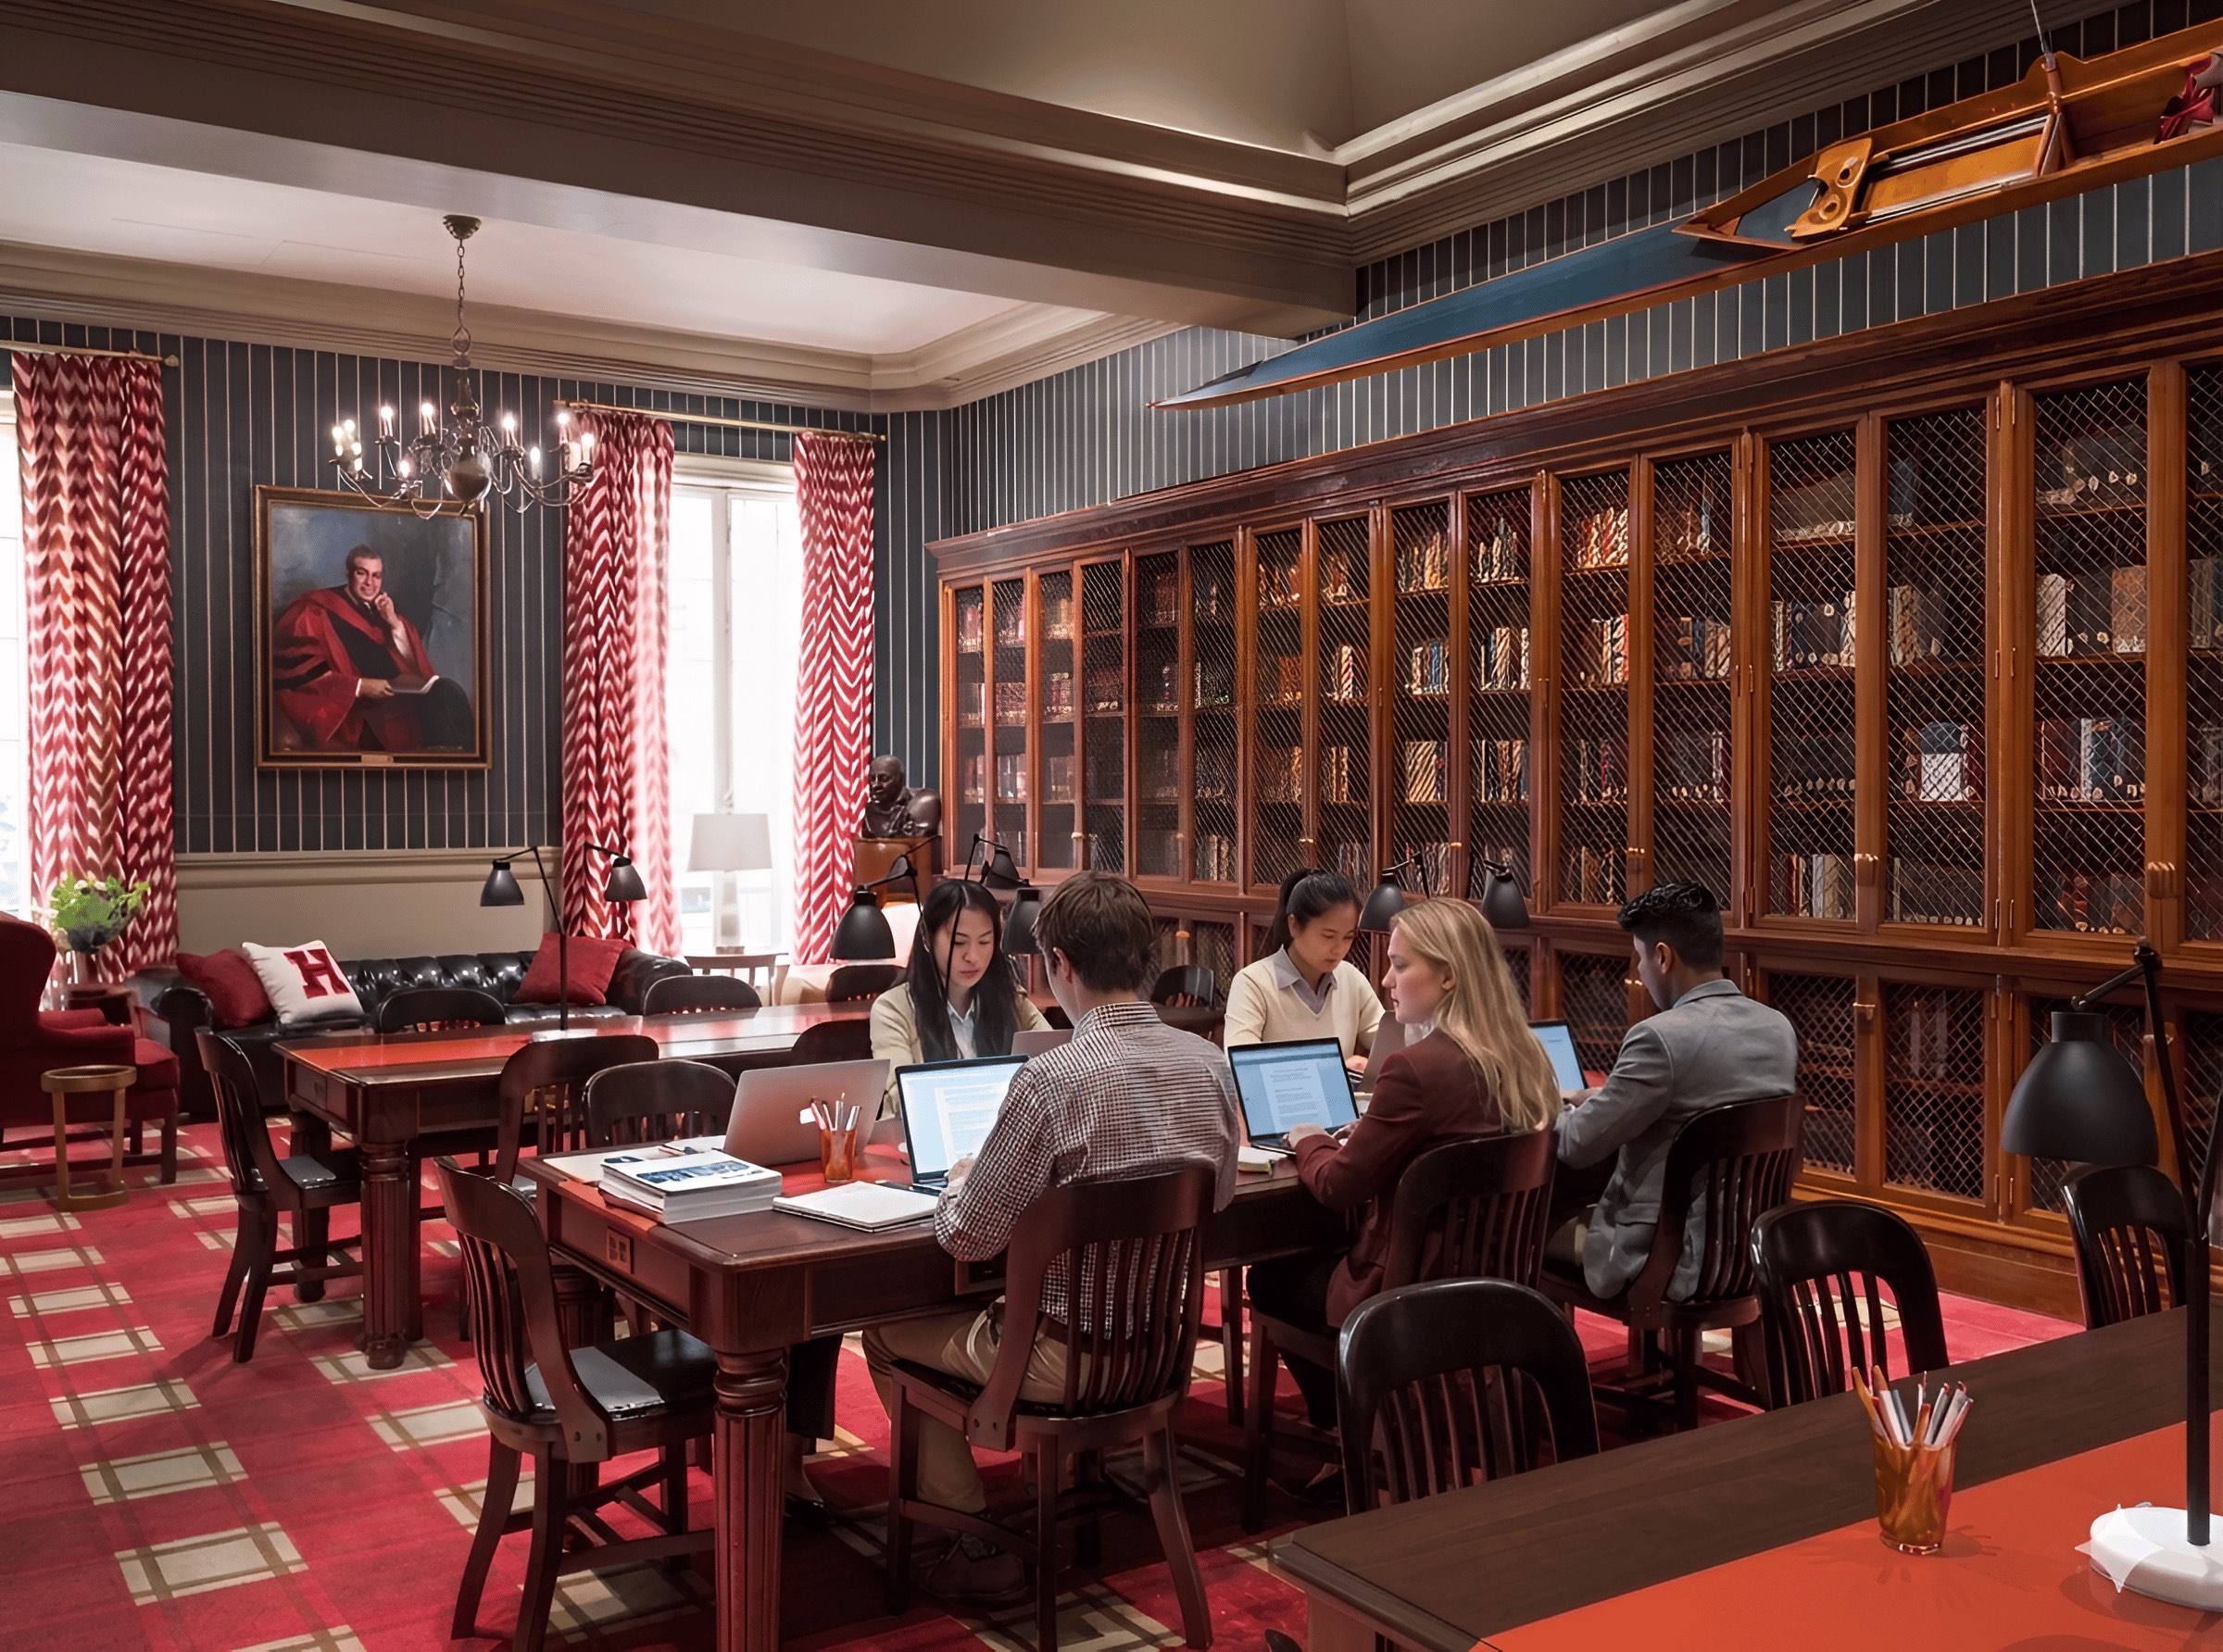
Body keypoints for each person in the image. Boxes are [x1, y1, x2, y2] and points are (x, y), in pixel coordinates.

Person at [861, 872, 1240, 1604]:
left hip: (1058, 1358)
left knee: (881, 1330)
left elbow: (968, 1236)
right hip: (1160, 1350)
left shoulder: (1049, 1080)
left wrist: (962, 1179)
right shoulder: (1209, 1067)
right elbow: (1217, 1196)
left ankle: (970, 1535)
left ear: (1060, 965)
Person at [1244, 897, 1558, 1466]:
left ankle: (1357, 1439)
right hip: (1497, 1280)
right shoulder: (1525, 1055)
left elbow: (1340, 1185)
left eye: (1399, 964)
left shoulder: (1416, 1069)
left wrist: (1308, 1137)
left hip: (1411, 1290)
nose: (1385, 979)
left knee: (1271, 1276)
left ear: (1449, 975)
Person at [1553, 882, 1798, 1300]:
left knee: (1516, 1234)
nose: (1639, 973)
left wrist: (1550, 1107)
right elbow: (1699, 1101)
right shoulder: (1776, 1028)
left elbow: (1577, 1144)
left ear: (1663, 956)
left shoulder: (1657, 1038)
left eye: (1640, 958)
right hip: (1749, 1248)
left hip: (1665, 1257)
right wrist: (1597, 1098)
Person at [868, 879, 1050, 1113]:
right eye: (959, 942)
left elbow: (1055, 1061)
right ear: (926, 937)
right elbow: (903, 1098)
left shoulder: (1012, 1001)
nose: (973, 956)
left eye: (984, 942)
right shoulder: (893, 1009)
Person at [271, 545, 474, 752]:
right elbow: (297, 672)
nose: (370, 583)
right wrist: (360, 686)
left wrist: (394, 623)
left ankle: (459, 764)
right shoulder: (312, 611)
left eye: (376, 576)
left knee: (448, 693)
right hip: (349, 712)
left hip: (394, 702)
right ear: (348, 573)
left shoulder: (382, 611)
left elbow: (413, 665)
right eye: (362, 573)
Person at [1222, 868, 1384, 1075]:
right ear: (1294, 925)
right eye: (1328, 936)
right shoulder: (1253, 982)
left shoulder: (1350, 978)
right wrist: (1335, 1071)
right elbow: (1243, 1068)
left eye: (1348, 937)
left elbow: (1386, 1042)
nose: (1339, 948)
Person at [860, 754, 943, 838]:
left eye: (884, 779)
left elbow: (915, 842)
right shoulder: (866, 812)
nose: (875, 785)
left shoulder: (924, 801)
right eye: (872, 779)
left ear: (900, 779)